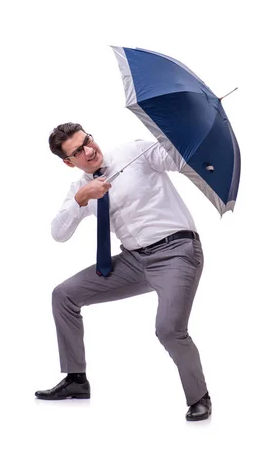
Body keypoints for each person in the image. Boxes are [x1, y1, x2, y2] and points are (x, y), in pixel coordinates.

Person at [35, 122, 211, 421]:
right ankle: (76, 379)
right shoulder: (80, 188)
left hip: (176, 253)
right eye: (78, 151)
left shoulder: (135, 152)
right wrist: (82, 199)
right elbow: (58, 233)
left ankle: (199, 397)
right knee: (63, 294)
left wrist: (182, 135)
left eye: (87, 140)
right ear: (68, 162)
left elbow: (179, 160)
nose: (89, 150)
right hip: (133, 262)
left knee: (168, 329)